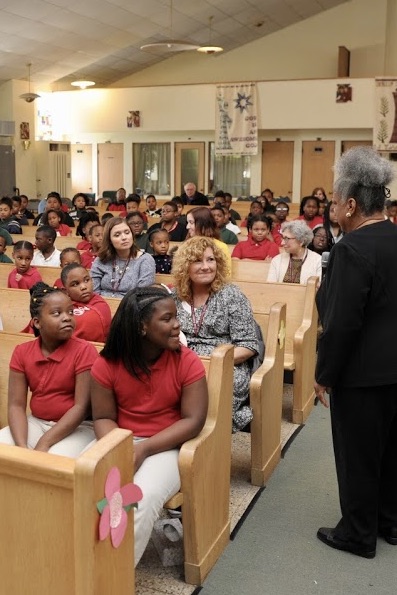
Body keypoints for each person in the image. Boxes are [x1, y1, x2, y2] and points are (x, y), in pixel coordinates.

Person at [314, 146, 397, 559]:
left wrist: (324, 372)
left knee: (358, 456)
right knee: (393, 450)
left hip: (362, 375)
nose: (331, 207)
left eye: (333, 199)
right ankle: (391, 522)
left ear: (350, 204)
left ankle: (358, 534)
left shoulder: (352, 248)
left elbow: (342, 322)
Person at [90, 285, 208, 564]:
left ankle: (113, 580)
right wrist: (118, 450)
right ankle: (87, 568)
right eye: (167, 319)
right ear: (142, 327)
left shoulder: (186, 360)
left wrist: (143, 450)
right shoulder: (107, 364)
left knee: (138, 501)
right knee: (90, 493)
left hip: (166, 446)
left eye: (175, 316)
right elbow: (103, 417)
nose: (177, 324)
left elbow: (194, 420)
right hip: (119, 440)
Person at [172, 236, 259, 432]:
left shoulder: (231, 295)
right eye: (197, 261)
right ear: (185, 266)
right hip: (182, 359)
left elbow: (248, 345)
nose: (206, 267)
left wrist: (213, 361)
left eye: (210, 260)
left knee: (210, 396)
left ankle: (209, 445)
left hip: (225, 363)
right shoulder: (176, 296)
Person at [0, 283, 97, 457]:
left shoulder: (84, 350)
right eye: (57, 313)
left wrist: (44, 443)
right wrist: (22, 446)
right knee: (5, 449)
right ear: (37, 323)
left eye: (70, 312)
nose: (67, 318)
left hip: (78, 426)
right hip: (37, 422)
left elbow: (81, 407)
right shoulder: (22, 352)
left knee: (51, 461)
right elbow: (16, 406)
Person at [90, 217, 155, 298]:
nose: (124, 238)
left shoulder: (145, 260)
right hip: (102, 305)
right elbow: (93, 292)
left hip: (132, 307)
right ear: (109, 239)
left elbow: (142, 296)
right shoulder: (101, 259)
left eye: (127, 233)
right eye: (117, 235)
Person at [61, 263, 111, 343]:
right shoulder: (63, 304)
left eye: (86, 280)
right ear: (65, 291)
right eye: (75, 284)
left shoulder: (100, 304)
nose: (83, 287)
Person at [267, 220, 322, 284]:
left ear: (301, 241)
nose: (282, 243)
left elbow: (318, 288)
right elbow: (270, 287)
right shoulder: (277, 260)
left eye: (287, 239)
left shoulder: (317, 260)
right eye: (282, 238)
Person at [186, 206, 232, 276]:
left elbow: (226, 275)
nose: (187, 226)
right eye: (188, 222)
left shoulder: (221, 247)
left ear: (203, 225)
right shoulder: (186, 245)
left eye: (191, 222)